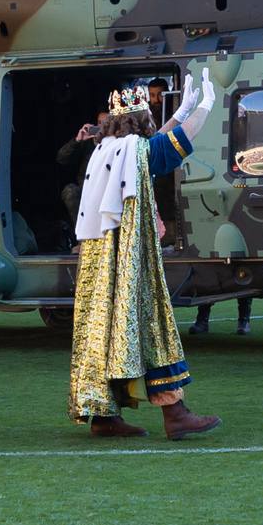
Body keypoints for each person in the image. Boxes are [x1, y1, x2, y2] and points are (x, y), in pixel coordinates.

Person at [69, 72, 220, 439]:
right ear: (139, 122)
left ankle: (104, 416)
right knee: (154, 326)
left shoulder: (107, 149)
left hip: (101, 268)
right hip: (129, 266)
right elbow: (172, 144)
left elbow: (155, 141)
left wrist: (180, 110)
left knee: (103, 333)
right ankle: (175, 412)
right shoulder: (135, 153)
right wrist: (204, 107)